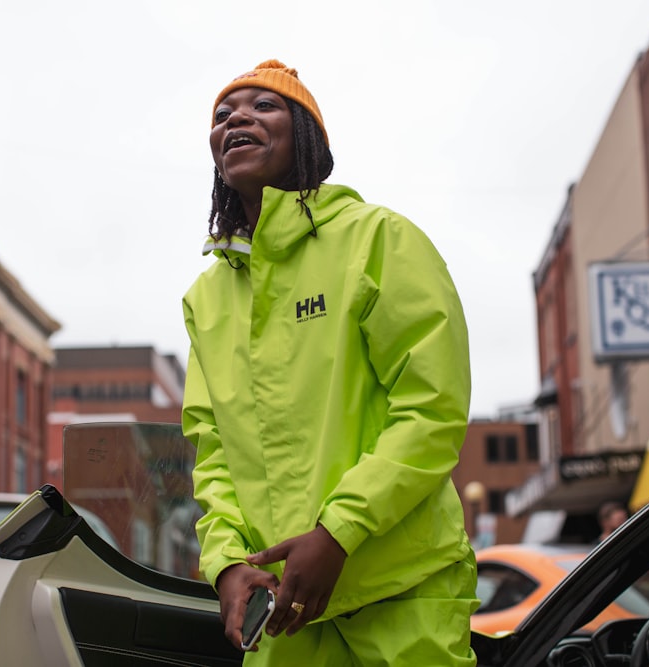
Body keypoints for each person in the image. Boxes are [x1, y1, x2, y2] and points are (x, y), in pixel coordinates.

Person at [181, 59, 477, 666]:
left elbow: (432, 410)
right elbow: (213, 451)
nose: (237, 116)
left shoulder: (379, 240)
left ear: (306, 135)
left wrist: (338, 533)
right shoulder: (207, 297)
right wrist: (226, 563)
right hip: (284, 610)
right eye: (223, 113)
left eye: (264, 106)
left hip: (401, 589)